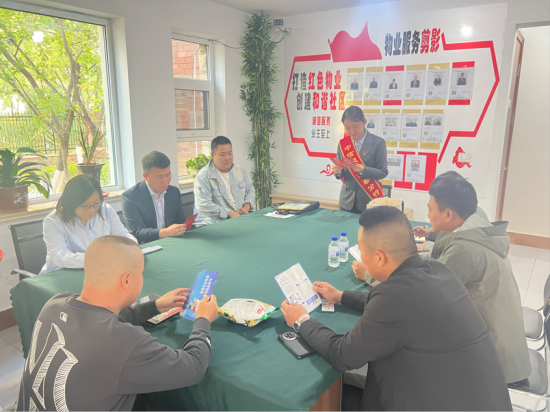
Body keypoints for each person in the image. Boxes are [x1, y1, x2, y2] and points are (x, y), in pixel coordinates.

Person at [280, 207, 512, 412]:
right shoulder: (436, 269)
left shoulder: (395, 297)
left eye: (362, 251)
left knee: (343, 397)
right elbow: (390, 302)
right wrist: (341, 296)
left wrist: (302, 321)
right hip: (480, 398)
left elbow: (343, 355)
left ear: (379, 258)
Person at [16, 235, 218, 411]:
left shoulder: (54, 303)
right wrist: (202, 320)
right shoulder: (124, 341)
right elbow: (193, 367)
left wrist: (154, 306)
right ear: (126, 280)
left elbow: (101, 318)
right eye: (141, 273)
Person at [424, 175, 531, 383]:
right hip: (509, 349)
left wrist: (374, 274)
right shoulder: (477, 229)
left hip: (498, 362)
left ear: (448, 214)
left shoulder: (465, 248)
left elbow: (426, 292)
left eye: (430, 209)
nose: (427, 215)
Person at [41, 175, 136, 274]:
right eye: (85, 206)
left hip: (101, 269)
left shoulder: (106, 210)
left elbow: (123, 235)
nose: (92, 210)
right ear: (71, 203)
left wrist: (132, 247)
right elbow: (59, 256)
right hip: (62, 273)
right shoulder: (53, 221)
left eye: (96, 204)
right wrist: (99, 259)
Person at [122, 151, 187, 244]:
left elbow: (181, 221)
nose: (165, 181)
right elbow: (137, 231)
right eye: (159, 177)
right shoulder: (131, 197)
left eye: (168, 175)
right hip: (147, 245)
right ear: (146, 176)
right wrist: (166, 232)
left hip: (173, 241)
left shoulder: (173, 192)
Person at [332, 106, 388, 214]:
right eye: (347, 127)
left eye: (355, 126)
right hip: (346, 201)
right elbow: (341, 172)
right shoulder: (343, 144)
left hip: (368, 200)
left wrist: (363, 170)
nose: (352, 131)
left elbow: (383, 172)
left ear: (364, 122)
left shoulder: (378, 143)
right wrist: (337, 172)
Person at [194, 136, 255, 226]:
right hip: (213, 224)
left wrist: (247, 206)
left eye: (230, 153)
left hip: (239, 219)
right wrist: (229, 213)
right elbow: (203, 204)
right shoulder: (203, 176)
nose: (227, 158)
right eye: (222, 155)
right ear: (212, 155)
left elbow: (250, 190)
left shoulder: (239, 171)